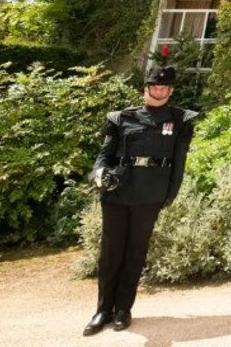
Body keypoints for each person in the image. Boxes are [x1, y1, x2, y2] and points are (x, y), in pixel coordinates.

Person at [83, 65, 197, 337]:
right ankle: (102, 311)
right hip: (118, 193)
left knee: (136, 252)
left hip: (150, 195)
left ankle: (123, 310)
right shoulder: (121, 118)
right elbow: (104, 155)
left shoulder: (181, 120)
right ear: (145, 88)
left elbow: (179, 162)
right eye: (154, 86)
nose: (158, 91)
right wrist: (98, 174)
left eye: (164, 87)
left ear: (171, 91)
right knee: (110, 253)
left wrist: (170, 194)